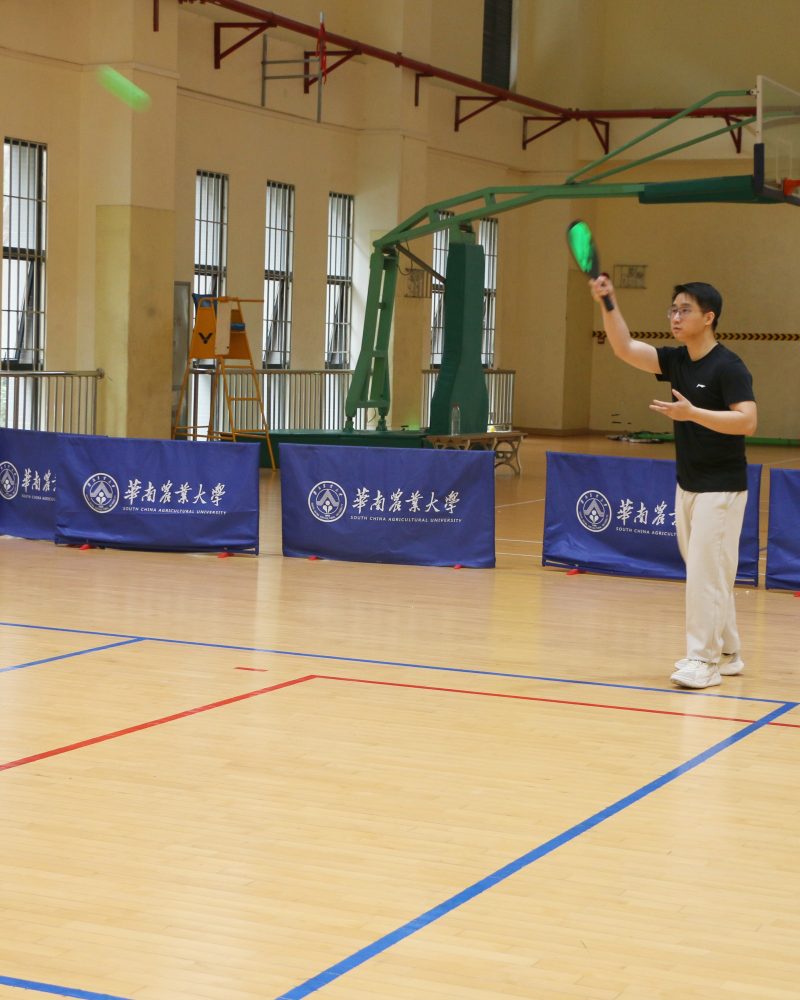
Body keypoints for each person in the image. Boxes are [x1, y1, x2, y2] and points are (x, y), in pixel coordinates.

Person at [589, 275, 757, 690]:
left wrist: (693, 413)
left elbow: (747, 421)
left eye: (685, 310)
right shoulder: (678, 361)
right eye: (673, 310)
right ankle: (728, 652)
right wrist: (608, 302)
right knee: (709, 572)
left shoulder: (729, 366)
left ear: (709, 317)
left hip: (721, 488)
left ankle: (703, 661)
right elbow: (625, 348)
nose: (676, 317)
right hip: (689, 484)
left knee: (705, 575)